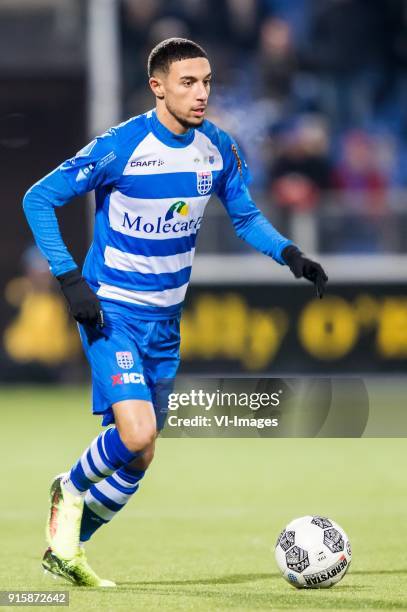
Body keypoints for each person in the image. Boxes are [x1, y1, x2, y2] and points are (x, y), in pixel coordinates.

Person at [23, 38, 328, 587]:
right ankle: (68, 488)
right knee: (136, 435)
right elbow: (38, 198)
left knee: (141, 456)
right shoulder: (122, 146)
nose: (202, 93)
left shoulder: (218, 148)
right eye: (188, 82)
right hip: (110, 311)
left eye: (207, 81)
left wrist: (290, 254)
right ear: (157, 86)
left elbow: (245, 216)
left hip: (166, 322)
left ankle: (69, 546)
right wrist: (70, 281)